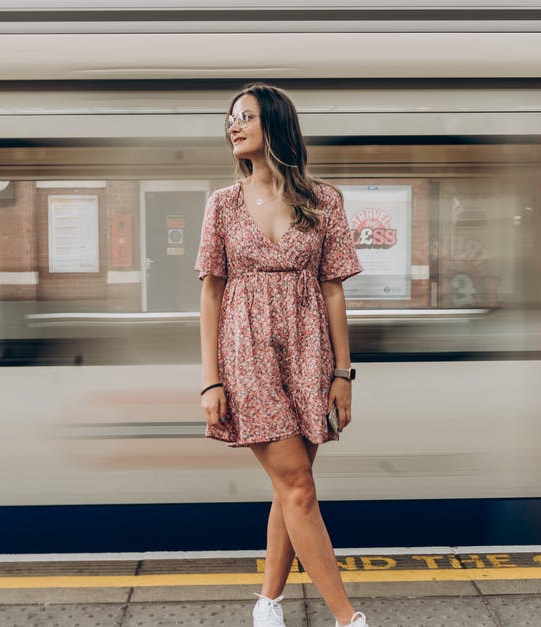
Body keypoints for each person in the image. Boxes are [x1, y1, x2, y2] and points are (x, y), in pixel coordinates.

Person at [195, 83, 368, 627]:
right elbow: (211, 295)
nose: (233, 126)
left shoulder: (325, 201)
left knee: (289, 487)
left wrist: (343, 373)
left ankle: (267, 604)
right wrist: (210, 381)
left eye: (245, 116)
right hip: (247, 355)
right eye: (229, 119)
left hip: (309, 351)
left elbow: (334, 289)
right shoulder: (221, 204)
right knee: (298, 483)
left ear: (275, 124)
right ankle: (346, 618)